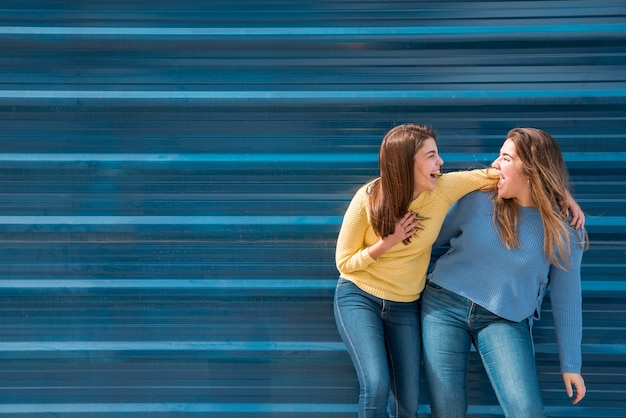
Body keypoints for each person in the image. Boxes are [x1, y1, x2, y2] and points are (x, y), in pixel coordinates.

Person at [334, 123, 508, 418]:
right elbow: (344, 262)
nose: (440, 162)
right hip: (359, 297)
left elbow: (497, 176)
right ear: (405, 163)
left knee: (407, 404)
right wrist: (388, 243)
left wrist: (560, 195)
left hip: (404, 305)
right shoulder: (368, 198)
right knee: (376, 386)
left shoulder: (441, 189)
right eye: (431, 155)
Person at [420, 127, 588, 418]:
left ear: (532, 170)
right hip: (443, 305)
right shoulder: (477, 200)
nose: (494, 164)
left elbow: (567, 301)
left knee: (527, 411)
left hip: (505, 318)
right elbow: (427, 238)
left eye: (505, 158)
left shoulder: (564, 232)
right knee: (447, 412)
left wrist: (571, 365)